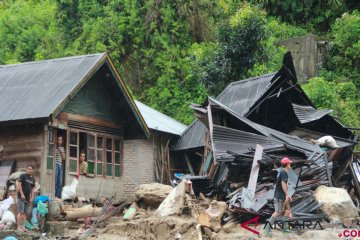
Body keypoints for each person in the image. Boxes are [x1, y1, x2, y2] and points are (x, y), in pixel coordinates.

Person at [265, 157, 293, 236]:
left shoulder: (281, 171)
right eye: (289, 163)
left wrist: (287, 195)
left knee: (287, 211)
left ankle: (285, 229)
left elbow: (284, 184)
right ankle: (267, 229)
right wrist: (287, 194)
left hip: (282, 196)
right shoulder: (283, 172)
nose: (290, 165)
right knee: (278, 212)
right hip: (280, 196)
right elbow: (283, 184)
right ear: (287, 164)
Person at [16, 165, 35, 231]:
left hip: (28, 198)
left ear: (32, 170)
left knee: (25, 213)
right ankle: (18, 227)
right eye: (28, 169)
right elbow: (19, 184)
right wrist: (22, 194)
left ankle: (23, 227)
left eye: (30, 169)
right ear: (26, 169)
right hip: (21, 197)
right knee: (21, 212)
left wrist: (32, 197)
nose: (29, 170)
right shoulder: (23, 176)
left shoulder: (33, 178)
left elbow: (33, 189)